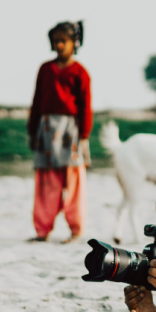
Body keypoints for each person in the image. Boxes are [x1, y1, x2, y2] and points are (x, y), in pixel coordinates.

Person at [27, 21, 92, 243]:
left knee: (74, 182)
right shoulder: (45, 69)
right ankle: (42, 230)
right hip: (45, 130)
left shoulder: (80, 72)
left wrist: (84, 135)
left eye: (62, 41)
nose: (58, 46)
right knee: (46, 182)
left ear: (74, 43)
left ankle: (76, 229)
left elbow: (86, 106)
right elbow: (36, 101)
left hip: (71, 131)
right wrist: (32, 131)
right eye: (55, 42)